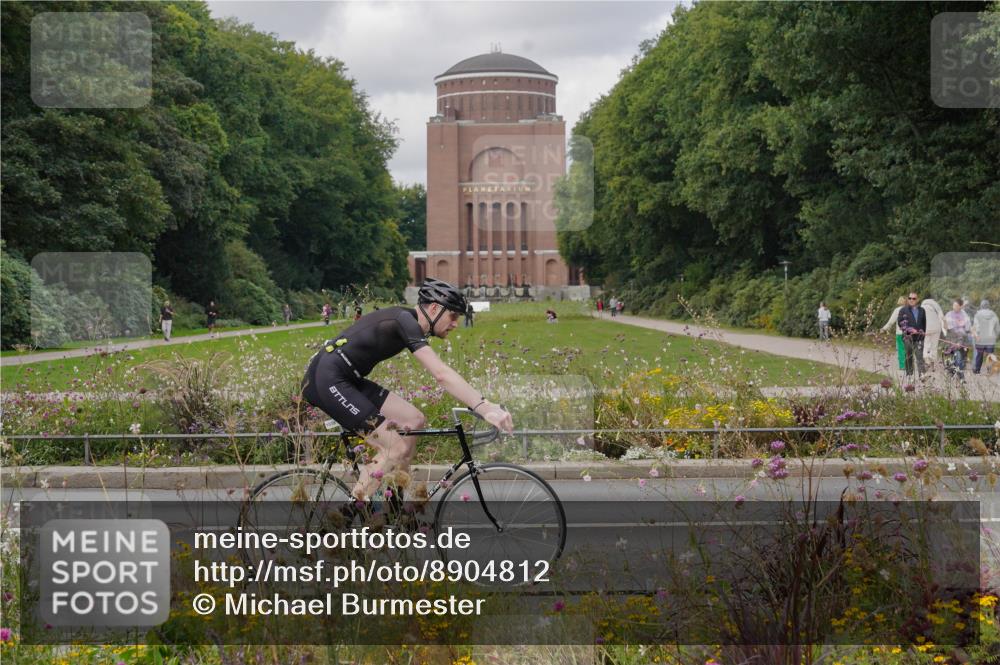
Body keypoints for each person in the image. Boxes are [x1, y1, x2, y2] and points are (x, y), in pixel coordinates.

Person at [300, 278, 513, 502]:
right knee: (395, 449)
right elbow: (441, 373)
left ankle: (396, 505)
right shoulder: (404, 321)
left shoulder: (407, 321)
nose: (455, 324)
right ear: (434, 309)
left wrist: (485, 404)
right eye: (453, 316)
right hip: (327, 379)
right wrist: (483, 407)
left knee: (414, 420)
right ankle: (349, 513)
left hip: (347, 378)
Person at [897, 292, 926, 378]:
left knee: (919, 356)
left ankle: (922, 374)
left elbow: (924, 323)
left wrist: (923, 332)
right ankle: (909, 374)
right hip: (908, 337)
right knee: (909, 355)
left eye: (914, 298)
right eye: (910, 298)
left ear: (917, 300)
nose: (911, 300)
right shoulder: (903, 310)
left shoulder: (922, 310)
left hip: (919, 337)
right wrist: (910, 329)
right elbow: (900, 323)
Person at [943, 299, 971, 379]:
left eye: (956, 305)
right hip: (952, 339)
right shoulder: (949, 314)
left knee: (961, 358)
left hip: (962, 340)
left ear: (961, 306)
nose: (954, 307)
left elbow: (967, 328)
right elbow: (946, 328)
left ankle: (955, 374)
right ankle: (958, 376)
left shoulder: (965, 315)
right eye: (953, 305)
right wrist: (944, 322)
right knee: (956, 357)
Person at [972, 299, 999, 374]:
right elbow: (997, 329)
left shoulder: (978, 314)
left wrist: (976, 336)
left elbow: (975, 327)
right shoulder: (993, 314)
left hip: (981, 338)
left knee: (979, 354)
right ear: (988, 306)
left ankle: (977, 370)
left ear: (981, 306)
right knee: (990, 355)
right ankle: (990, 370)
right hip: (990, 338)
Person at [880, 296, 907, 371]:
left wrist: (884, 329)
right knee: (908, 349)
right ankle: (909, 365)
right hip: (909, 333)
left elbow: (891, 322)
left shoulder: (897, 310)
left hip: (900, 333)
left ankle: (902, 366)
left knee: (901, 349)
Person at [920, 298, 945, 367]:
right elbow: (942, 316)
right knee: (934, 345)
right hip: (937, 327)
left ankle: (926, 358)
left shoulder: (922, 307)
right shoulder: (936, 306)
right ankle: (933, 361)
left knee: (926, 344)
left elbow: (920, 319)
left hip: (927, 328)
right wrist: (944, 327)